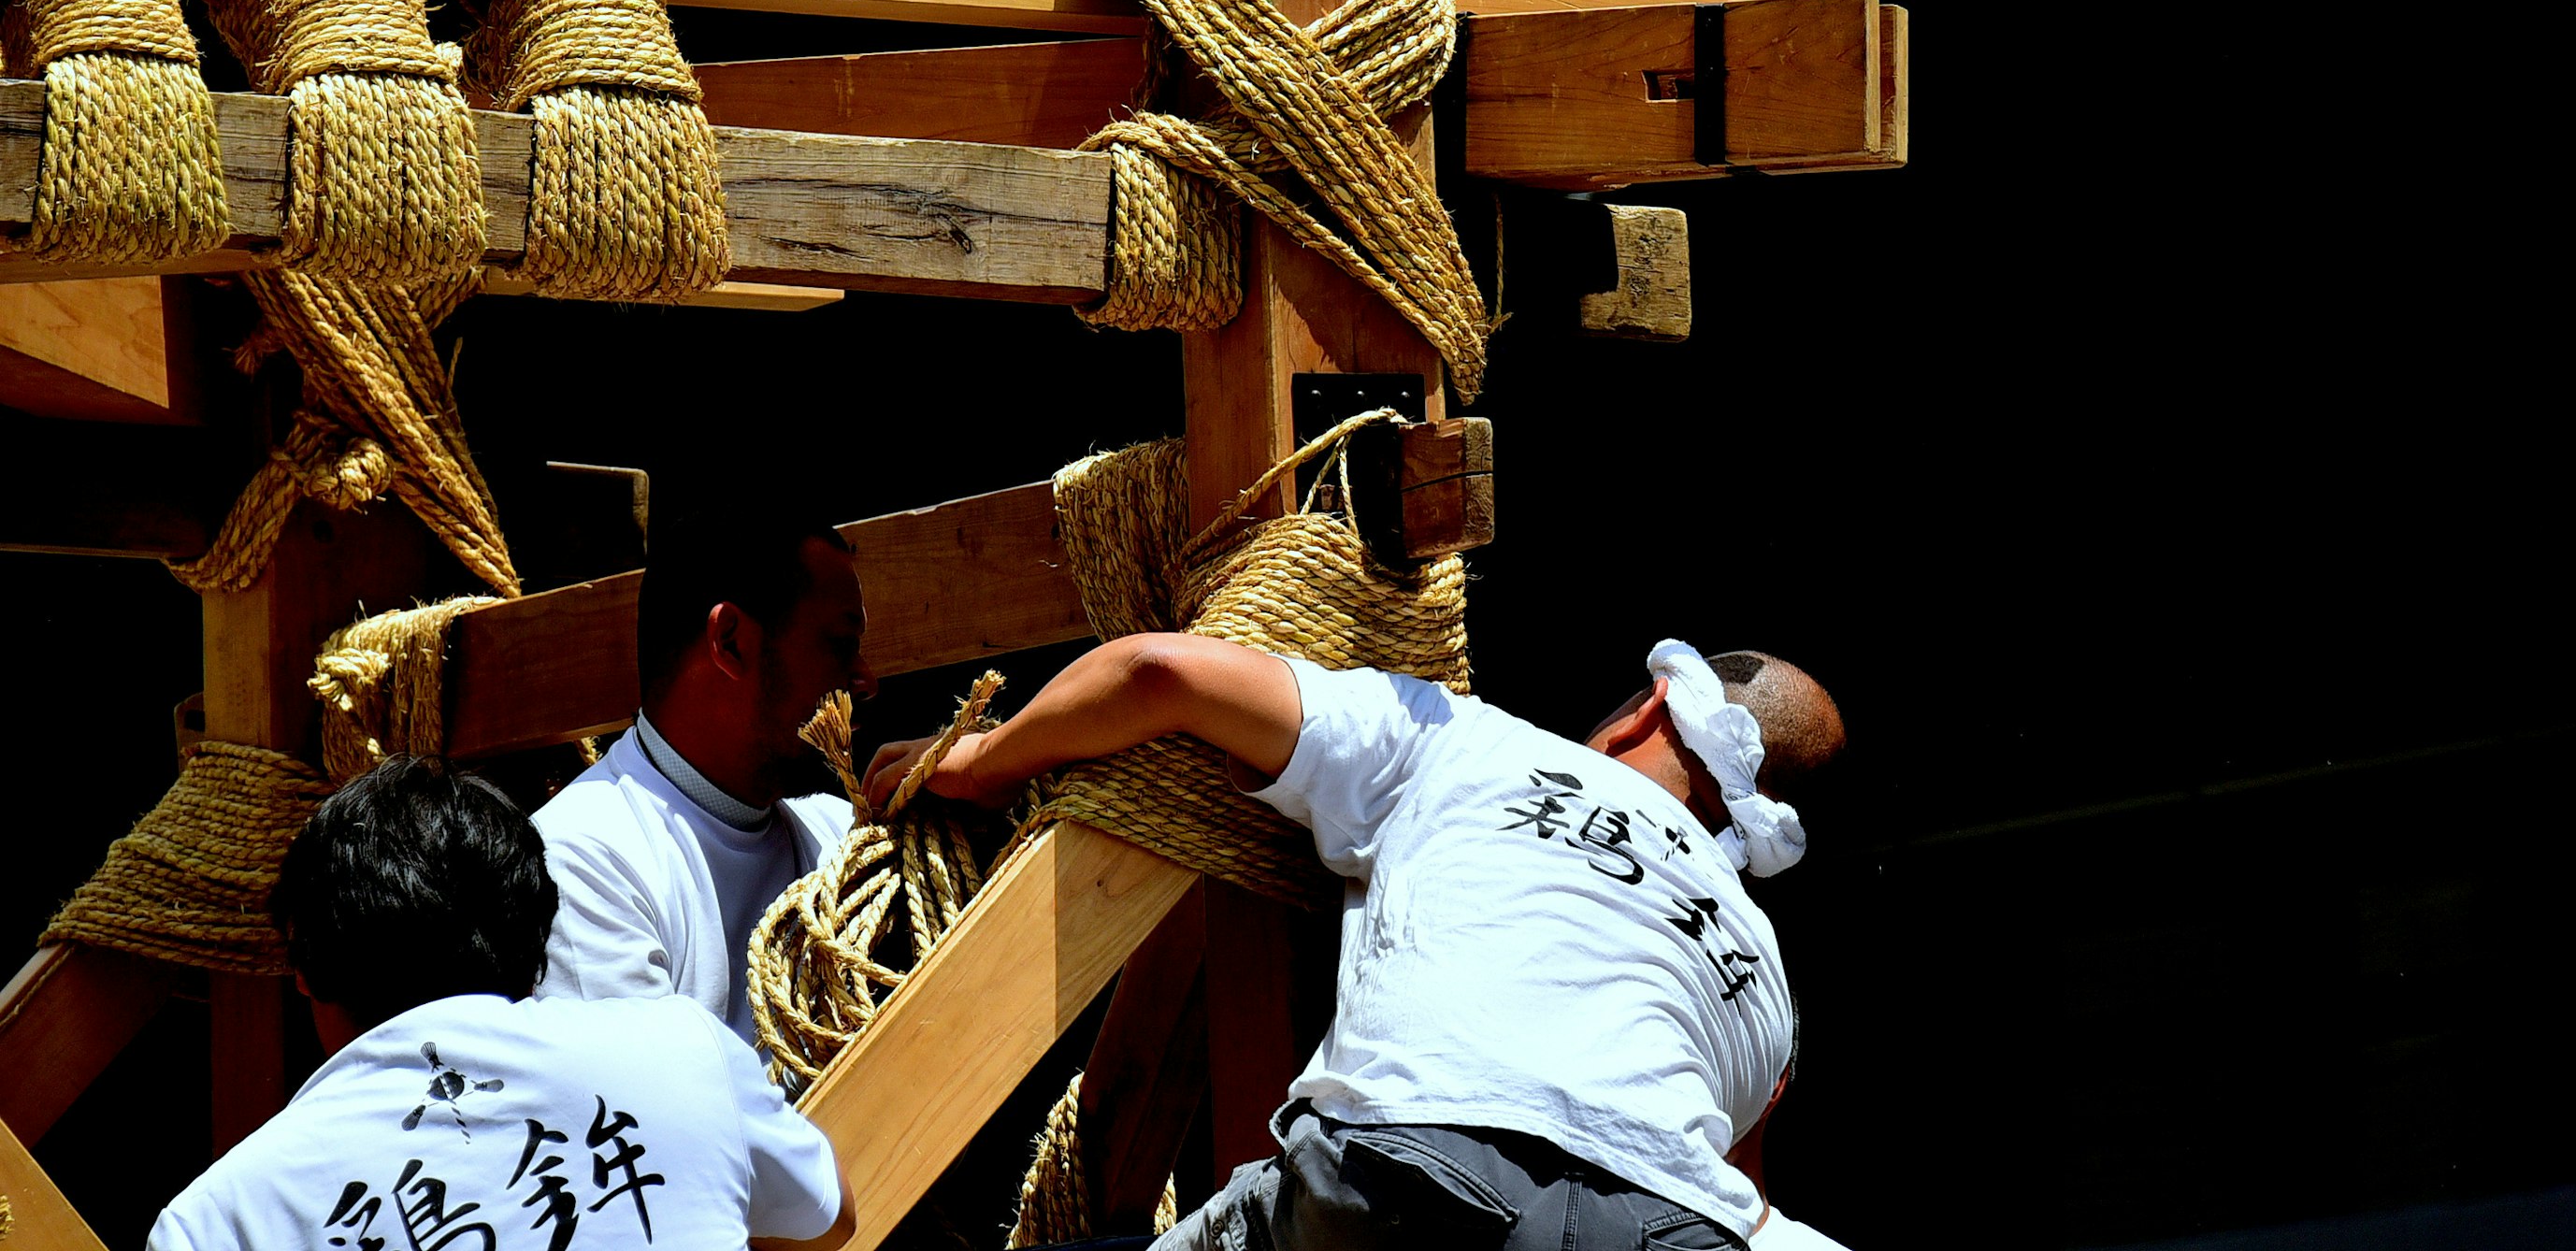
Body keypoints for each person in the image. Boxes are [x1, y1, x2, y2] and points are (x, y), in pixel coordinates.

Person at [868, 635, 1845, 1250]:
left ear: (1644, 712)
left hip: (1411, 1177)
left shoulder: (1469, 743)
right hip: (1668, 1226)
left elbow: (1160, 673)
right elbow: (1738, 1198)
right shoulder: (1762, 979)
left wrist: (982, 762)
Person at [151, 755, 854, 1251]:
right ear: (535, 938)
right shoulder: (686, 1051)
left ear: (304, 969)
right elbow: (827, 1219)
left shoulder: (218, 1223)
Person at [534, 482, 873, 1052]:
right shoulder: (585, 858)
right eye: (841, 644)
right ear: (732, 642)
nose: (866, 680)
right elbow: (655, 1123)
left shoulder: (841, 833)